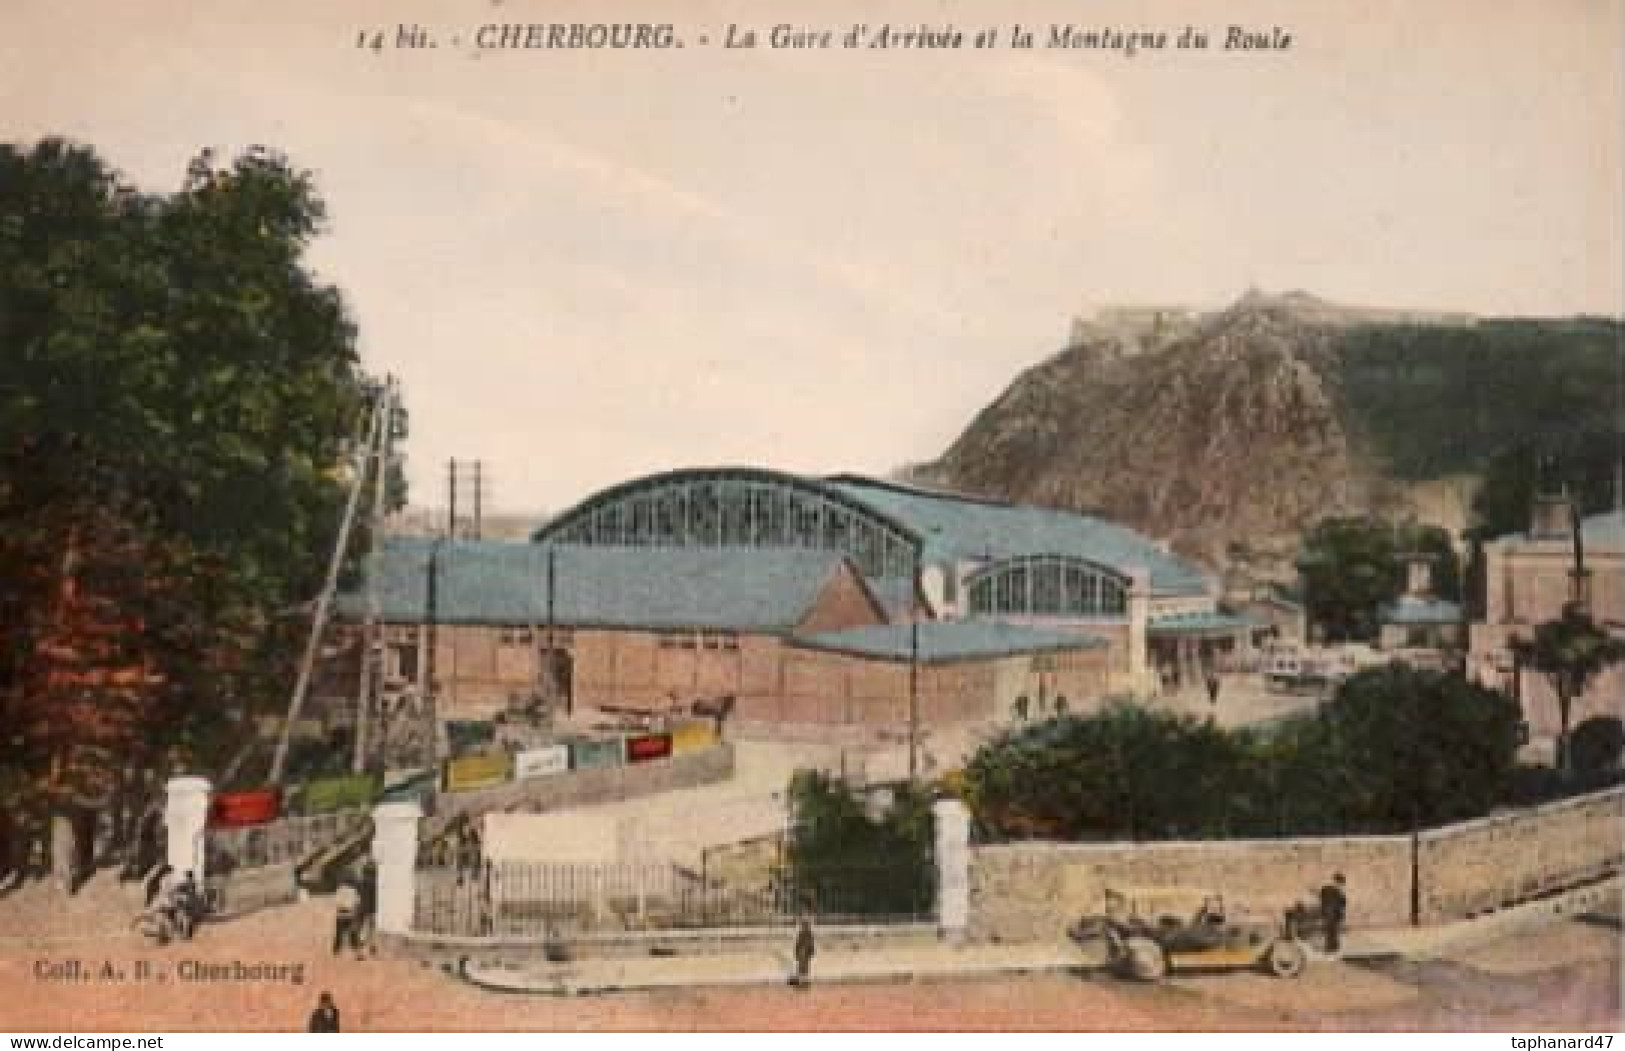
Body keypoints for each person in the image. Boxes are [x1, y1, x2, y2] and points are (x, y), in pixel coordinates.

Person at [1319, 872, 1348, 954]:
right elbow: (1342, 903)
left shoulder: (1325, 889)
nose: (1341, 885)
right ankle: (1332, 948)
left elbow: (1322, 900)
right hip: (1334, 914)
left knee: (1330, 932)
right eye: (1341, 883)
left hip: (1327, 914)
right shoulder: (1338, 892)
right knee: (1333, 932)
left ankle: (1330, 948)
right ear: (1339, 882)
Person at [354, 860, 378, 957]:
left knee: (360, 929)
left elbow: (358, 895)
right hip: (372, 908)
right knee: (371, 929)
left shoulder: (360, 882)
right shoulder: (376, 884)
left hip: (361, 907)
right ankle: (372, 945)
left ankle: (360, 951)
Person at [332, 880, 361, 956]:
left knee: (339, 934)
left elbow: (336, 901)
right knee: (353, 934)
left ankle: (336, 951)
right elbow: (357, 902)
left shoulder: (340, 890)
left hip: (341, 914)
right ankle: (357, 952)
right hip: (350, 914)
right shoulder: (353, 890)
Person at [792, 918, 815, 987]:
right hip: (802, 953)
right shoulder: (801, 933)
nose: (805, 926)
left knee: (805, 968)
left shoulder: (809, 934)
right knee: (801, 968)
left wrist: (811, 952)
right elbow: (798, 944)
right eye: (804, 925)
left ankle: (804, 983)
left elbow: (811, 944)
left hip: (805, 953)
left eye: (806, 925)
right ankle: (801, 983)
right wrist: (797, 952)